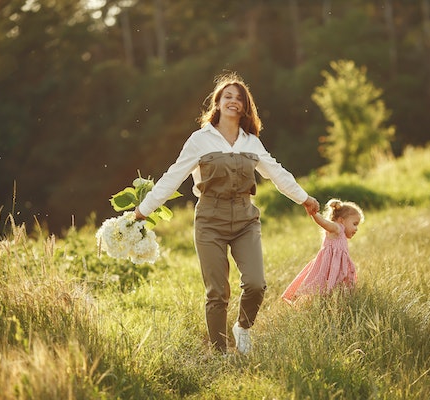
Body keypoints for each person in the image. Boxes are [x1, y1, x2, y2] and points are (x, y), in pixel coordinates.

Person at [133, 72, 320, 355]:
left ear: (245, 107)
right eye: (228, 97)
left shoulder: (251, 142)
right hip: (209, 220)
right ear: (217, 103)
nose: (234, 102)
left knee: (256, 284)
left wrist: (304, 198)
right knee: (217, 293)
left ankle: (242, 328)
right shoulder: (200, 140)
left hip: (245, 219)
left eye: (239, 98)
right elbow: (174, 176)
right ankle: (220, 353)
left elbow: (277, 174)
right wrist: (143, 210)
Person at [281, 199, 364, 304]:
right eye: (355, 224)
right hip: (328, 267)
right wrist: (314, 214)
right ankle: (313, 304)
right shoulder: (337, 228)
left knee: (335, 288)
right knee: (320, 287)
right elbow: (323, 223)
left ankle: (334, 303)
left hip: (335, 268)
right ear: (342, 220)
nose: (356, 229)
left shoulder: (341, 232)